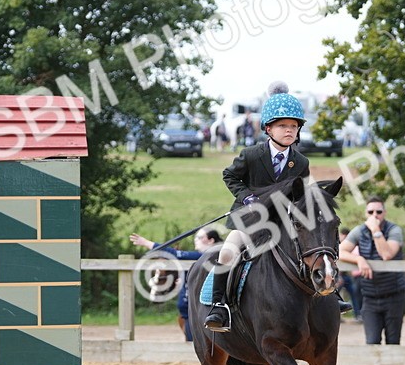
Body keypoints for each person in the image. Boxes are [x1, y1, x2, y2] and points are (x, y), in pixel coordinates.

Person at [205, 81, 312, 332]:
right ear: (268, 129)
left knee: (316, 248)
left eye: (294, 126)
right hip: (250, 221)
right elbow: (229, 175)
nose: (289, 131)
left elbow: (302, 195)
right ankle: (219, 307)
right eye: (283, 126)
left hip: (283, 223)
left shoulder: (301, 162)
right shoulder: (252, 154)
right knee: (228, 252)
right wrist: (246, 197)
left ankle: (329, 294)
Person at [130, 228, 221, 340]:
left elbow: (175, 254)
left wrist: (146, 243)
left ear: (211, 240)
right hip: (189, 313)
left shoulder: (209, 255)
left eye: (199, 237)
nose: (195, 240)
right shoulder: (201, 258)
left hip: (198, 313)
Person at [340, 196, 405, 344]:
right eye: (370, 212)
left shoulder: (394, 230)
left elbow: (386, 254)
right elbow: (339, 251)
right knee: (372, 342)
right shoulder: (359, 231)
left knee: (393, 342)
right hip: (369, 296)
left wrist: (375, 230)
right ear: (366, 213)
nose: (374, 215)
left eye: (378, 211)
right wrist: (358, 259)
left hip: (394, 295)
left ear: (385, 213)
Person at [337, 228, 362, 321]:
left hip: (345, 275)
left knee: (354, 293)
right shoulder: (338, 244)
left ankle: (357, 314)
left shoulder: (350, 245)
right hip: (338, 275)